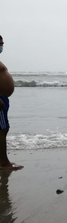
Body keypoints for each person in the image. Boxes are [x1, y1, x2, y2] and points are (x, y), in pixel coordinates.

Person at [0, 35, 23, 171]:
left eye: (2, 43)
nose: (2, 46)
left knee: (4, 129)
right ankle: (4, 163)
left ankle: (2, 161)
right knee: (1, 130)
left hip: (3, 98)